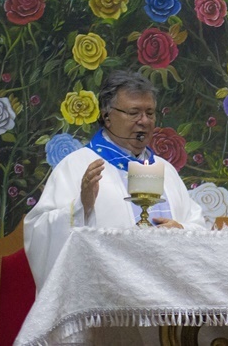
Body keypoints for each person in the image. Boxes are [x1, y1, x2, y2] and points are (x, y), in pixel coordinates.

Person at [25, 70, 206, 290]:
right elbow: (39, 232)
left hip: (166, 297)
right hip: (103, 297)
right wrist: (82, 207)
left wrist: (181, 230)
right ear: (107, 116)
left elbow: (197, 224)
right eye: (134, 112)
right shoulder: (77, 166)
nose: (144, 121)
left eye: (150, 113)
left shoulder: (166, 171)